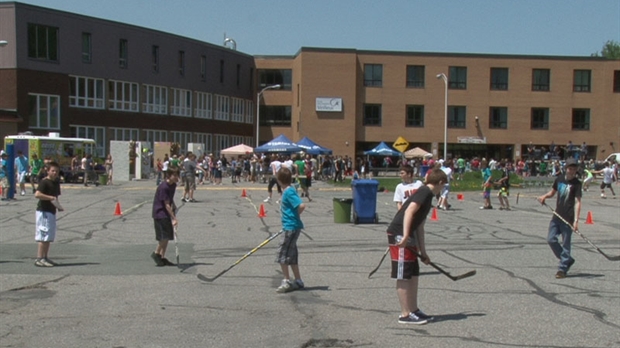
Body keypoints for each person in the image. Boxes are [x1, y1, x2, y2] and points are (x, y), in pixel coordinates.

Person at [386, 169, 447, 325]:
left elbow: (420, 225)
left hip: (410, 234)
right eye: (444, 184)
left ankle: (414, 310)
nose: (444, 188)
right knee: (403, 274)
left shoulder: (428, 196)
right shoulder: (424, 192)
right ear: (440, 182)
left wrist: (423, 251)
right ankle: (405, 314)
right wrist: (405, 236)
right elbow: (409, 212)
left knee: (413, 274)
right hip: (399, 232)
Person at [537, 158, 581, 279]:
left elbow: (577, 202)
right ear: (565, 168)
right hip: (557, 216)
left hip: (568, 218)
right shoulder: (559, 179)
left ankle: (562, 269)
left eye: (574, 169)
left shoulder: (577, 184)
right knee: (551, 239)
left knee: (566, 243)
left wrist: (576, 221)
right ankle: (567, 260)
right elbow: (552, 193)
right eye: (570, 168)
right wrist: (544, 197)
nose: (571, 171)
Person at [274, 167, 306, 293]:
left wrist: (294, 217)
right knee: (291, 255)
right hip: (290, 226)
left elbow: (301, 205)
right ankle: (298, 280)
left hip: (291, 227)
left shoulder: (288, 192)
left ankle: (286, 280)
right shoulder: (287, 191)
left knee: (282, 253)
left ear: (280, 180)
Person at [34, 161, 64, 267]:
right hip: (43, 211)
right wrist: (49, 198)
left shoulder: (56, 182)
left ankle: (45, 257)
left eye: (56, 171)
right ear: (48, 171)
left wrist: (58, 206)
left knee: (49, 236)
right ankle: (39, 258)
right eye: (53, 171)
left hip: (51, 211)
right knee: (43, 235)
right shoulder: (44, 182)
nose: (55, 173)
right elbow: (37, 194)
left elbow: (55, 197)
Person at [151, 167, 180, 267]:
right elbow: (166, 204)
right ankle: (156, 253)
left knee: (168, 236)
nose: (177, 177)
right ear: (169, 176)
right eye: (175, 175)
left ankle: (162, 257)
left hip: (166, 213)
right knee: (163, 236)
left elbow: (170, 200)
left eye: (177, 175)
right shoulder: (164, 187)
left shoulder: (173, 185)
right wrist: (174, 218)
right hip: (160, 213)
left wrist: (174, 207)